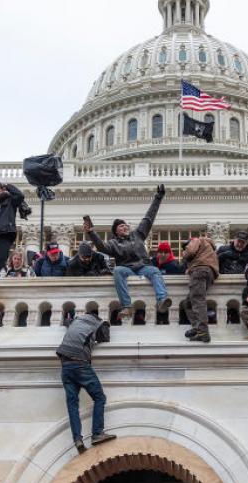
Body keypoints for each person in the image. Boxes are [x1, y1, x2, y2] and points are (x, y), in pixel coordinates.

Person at [85, 185, 170, 320]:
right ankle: (126, 306)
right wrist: (91, 232)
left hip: (143, 267)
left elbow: (149, 217)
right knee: (118, 270)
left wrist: (158, 197)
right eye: (120, 226)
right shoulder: (113, 243)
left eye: (125, 225)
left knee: (154, 271)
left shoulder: (138, 234)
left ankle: (162, 300)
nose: (125, 227)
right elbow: (102, 248)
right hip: (127, 268)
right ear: (116, 231)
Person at [56, 312, 116, 454]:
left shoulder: (75, 321)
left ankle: (78, 439)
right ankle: (97, 433)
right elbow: (105, 337)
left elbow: (66, 321)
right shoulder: (97, 323)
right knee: (99, 397)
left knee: (72, 405)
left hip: (65, 365)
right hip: (80, 364)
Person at [181, 235, 219, 344]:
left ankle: (203, 331)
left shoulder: (197, 240)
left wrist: (185, 254)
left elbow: (190, 252)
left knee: (198, 300)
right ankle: (197, 328)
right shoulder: (209, 247)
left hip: (199, 270)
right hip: (209, 273)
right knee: (188, 303)